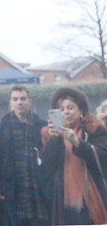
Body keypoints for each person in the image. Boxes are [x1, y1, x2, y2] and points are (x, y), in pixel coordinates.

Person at [40, 87, 107, 225]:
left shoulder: (94, 129)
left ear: (80, 110)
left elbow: (102, 156)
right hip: (64, 198)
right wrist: (53, 140)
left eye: (70, 108)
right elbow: (46, 164)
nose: (66, 112)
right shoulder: (50, 134)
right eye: (62, 109)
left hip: (92, 194)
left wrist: (77, 142)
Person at [0, 86, 49, 226]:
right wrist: (0, 187)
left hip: (38, 185)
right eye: (15, 99)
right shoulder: (2, 126)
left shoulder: (42, 125)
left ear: (29, 101)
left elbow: (49, 156)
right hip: (14, 186)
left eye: (23, 99)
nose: (19, 102)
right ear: (10, 103)